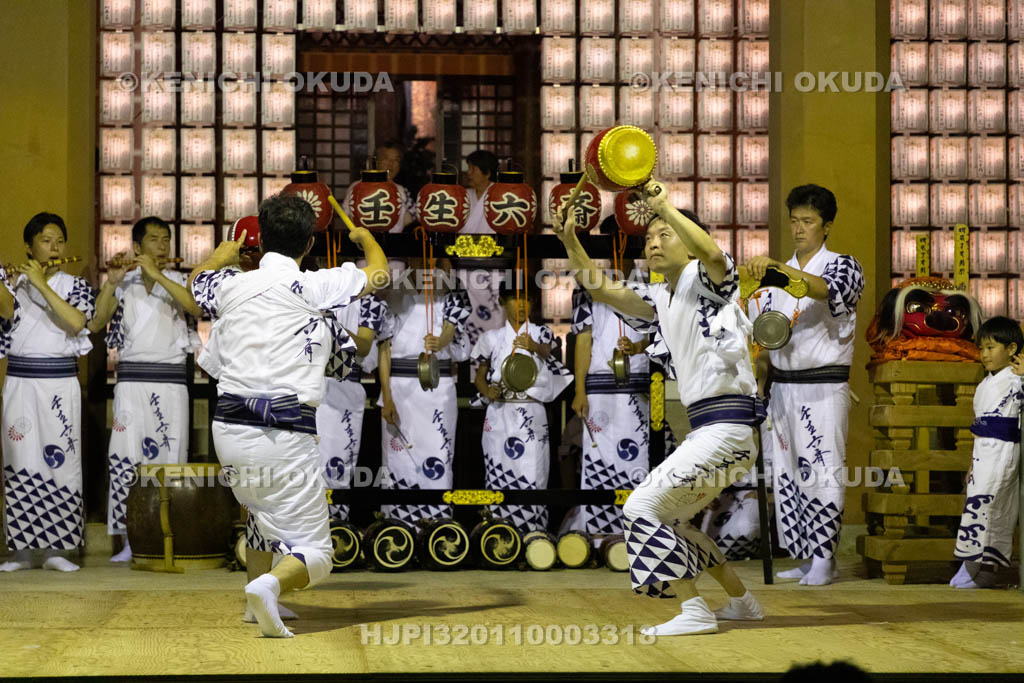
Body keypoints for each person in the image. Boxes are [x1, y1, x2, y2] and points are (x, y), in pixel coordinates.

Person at [553, 186, 765, 636]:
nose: (652, 242)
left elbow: (709, 249)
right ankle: (741, 603)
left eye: (664, 234)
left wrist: (664, 205)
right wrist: (570, 241)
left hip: (726, 429)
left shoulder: (708, 279)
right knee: (670, 517)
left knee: (640, 510)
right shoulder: (660, 296)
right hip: (718, 433)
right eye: (648, 237)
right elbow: (603, 289)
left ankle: (693, 610)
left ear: (687, 242)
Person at [189, 195, 388, 638]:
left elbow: (197, 285)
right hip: (283, 429)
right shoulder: (314, 286)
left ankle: (250, 599)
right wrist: (364, 238)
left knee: (260, 511)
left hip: (228, 429)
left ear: (259, 241)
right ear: (311, 241)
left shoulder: (229, 285)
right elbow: (379, 273)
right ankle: (269, 585)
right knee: (318, 553)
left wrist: (217, 257)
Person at [743, 184, 864, 586]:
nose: (799, 229)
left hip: (823, 385)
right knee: (788, 473)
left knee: (822, 469)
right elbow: (764, 338)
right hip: (783, 386)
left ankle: (825, 557)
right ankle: (806, 556)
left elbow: (826, 291)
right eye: (794, 221)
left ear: (826, 227)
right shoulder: (773, 278)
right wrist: (759, 376)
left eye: (808, 222)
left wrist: (778, 269)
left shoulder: (843, 265)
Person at [88, 216, 203, 562]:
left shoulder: (182, 279)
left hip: (171, 382)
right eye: (154, 240)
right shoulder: (124, 281)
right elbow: (95, 322)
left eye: (166, 239)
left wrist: (158, 276)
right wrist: (112, 283)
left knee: (171, 458)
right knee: (126, 458)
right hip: (132, 383)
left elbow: (196, 308)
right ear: (137, 247)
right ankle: (130, 540)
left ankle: (168, 536)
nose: (162, 246)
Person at [1, 213, 95, 573]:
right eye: (45, 241)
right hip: (21, 383)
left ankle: (60, 548)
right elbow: (5, 315)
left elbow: (75, 323)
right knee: (20, 461)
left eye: (59, 241)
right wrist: (12, 282)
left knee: (62, 463)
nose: (54, 248)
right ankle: (23, 551)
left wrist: (40, 284)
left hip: (59, 384)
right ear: (28, 246)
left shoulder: (77, 285)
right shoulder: (13, 285)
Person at [471, 284, 573, 531]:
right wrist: (487, 391)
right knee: (498, 469)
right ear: (504, 304)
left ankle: (534, 531)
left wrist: (533, 346)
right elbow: (479, 377)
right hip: (500, 411)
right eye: (515, 300)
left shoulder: (541, 333)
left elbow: (549, 352)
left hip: (532, 410)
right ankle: (497, 528)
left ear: (533, 304)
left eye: (526, 299)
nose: (521, 305)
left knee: (534, 470)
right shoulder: (491, 338)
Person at [376, 259, 470, 525]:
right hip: (399, 386)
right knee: (397, 457)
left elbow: (455, 337)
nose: (427, 264)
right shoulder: (393, 292)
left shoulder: (451, 291)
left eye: (433, 260)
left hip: (436, 386)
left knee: (438, 453)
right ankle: (397, 525)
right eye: (420, 258)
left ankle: (437, 522)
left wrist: (442, 340)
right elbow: (383, 349)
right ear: (410, 261)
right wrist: (386, 397)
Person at [570, 282, 651, 535]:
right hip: (600, 386)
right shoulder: (589, 286)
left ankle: (639, 531)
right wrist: (579, 390)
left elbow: (659, 335)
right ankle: (598, 536)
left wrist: (638, 347)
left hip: (639, 385)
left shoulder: (649, 286)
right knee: (598, 460)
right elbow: (583, 341)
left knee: (639, 463)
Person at [950, 316, 1024, 588]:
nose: (984, 354)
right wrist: (972, 462)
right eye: (981, 348)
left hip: (1003, 450)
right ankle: (981, 566)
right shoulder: (984, 385)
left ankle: (977, 565)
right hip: (983, 450)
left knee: (989, 505)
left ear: (1012, 349)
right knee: (983, 504)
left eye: (991, 347)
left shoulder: (1016, 379)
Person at [318, 286, 389, 521]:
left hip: (345, 387)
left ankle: (336, 528)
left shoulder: (370, 302)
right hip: (307, 385)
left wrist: (330, 325)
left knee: (337, 467)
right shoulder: (310, 292)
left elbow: (365, 346)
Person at [342, 142, 416, 231]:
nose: (391, 164)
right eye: (386, 159)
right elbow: (347, 217)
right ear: (375, 162)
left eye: (396, 160)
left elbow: (411, 219)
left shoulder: (402, 190)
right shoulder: (357, 187)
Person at [462, 149, 500, 235]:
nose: (468, 173)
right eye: (468, 168)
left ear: (487, 173)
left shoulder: (498, 196)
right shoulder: (464, 195)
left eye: (473, 169)